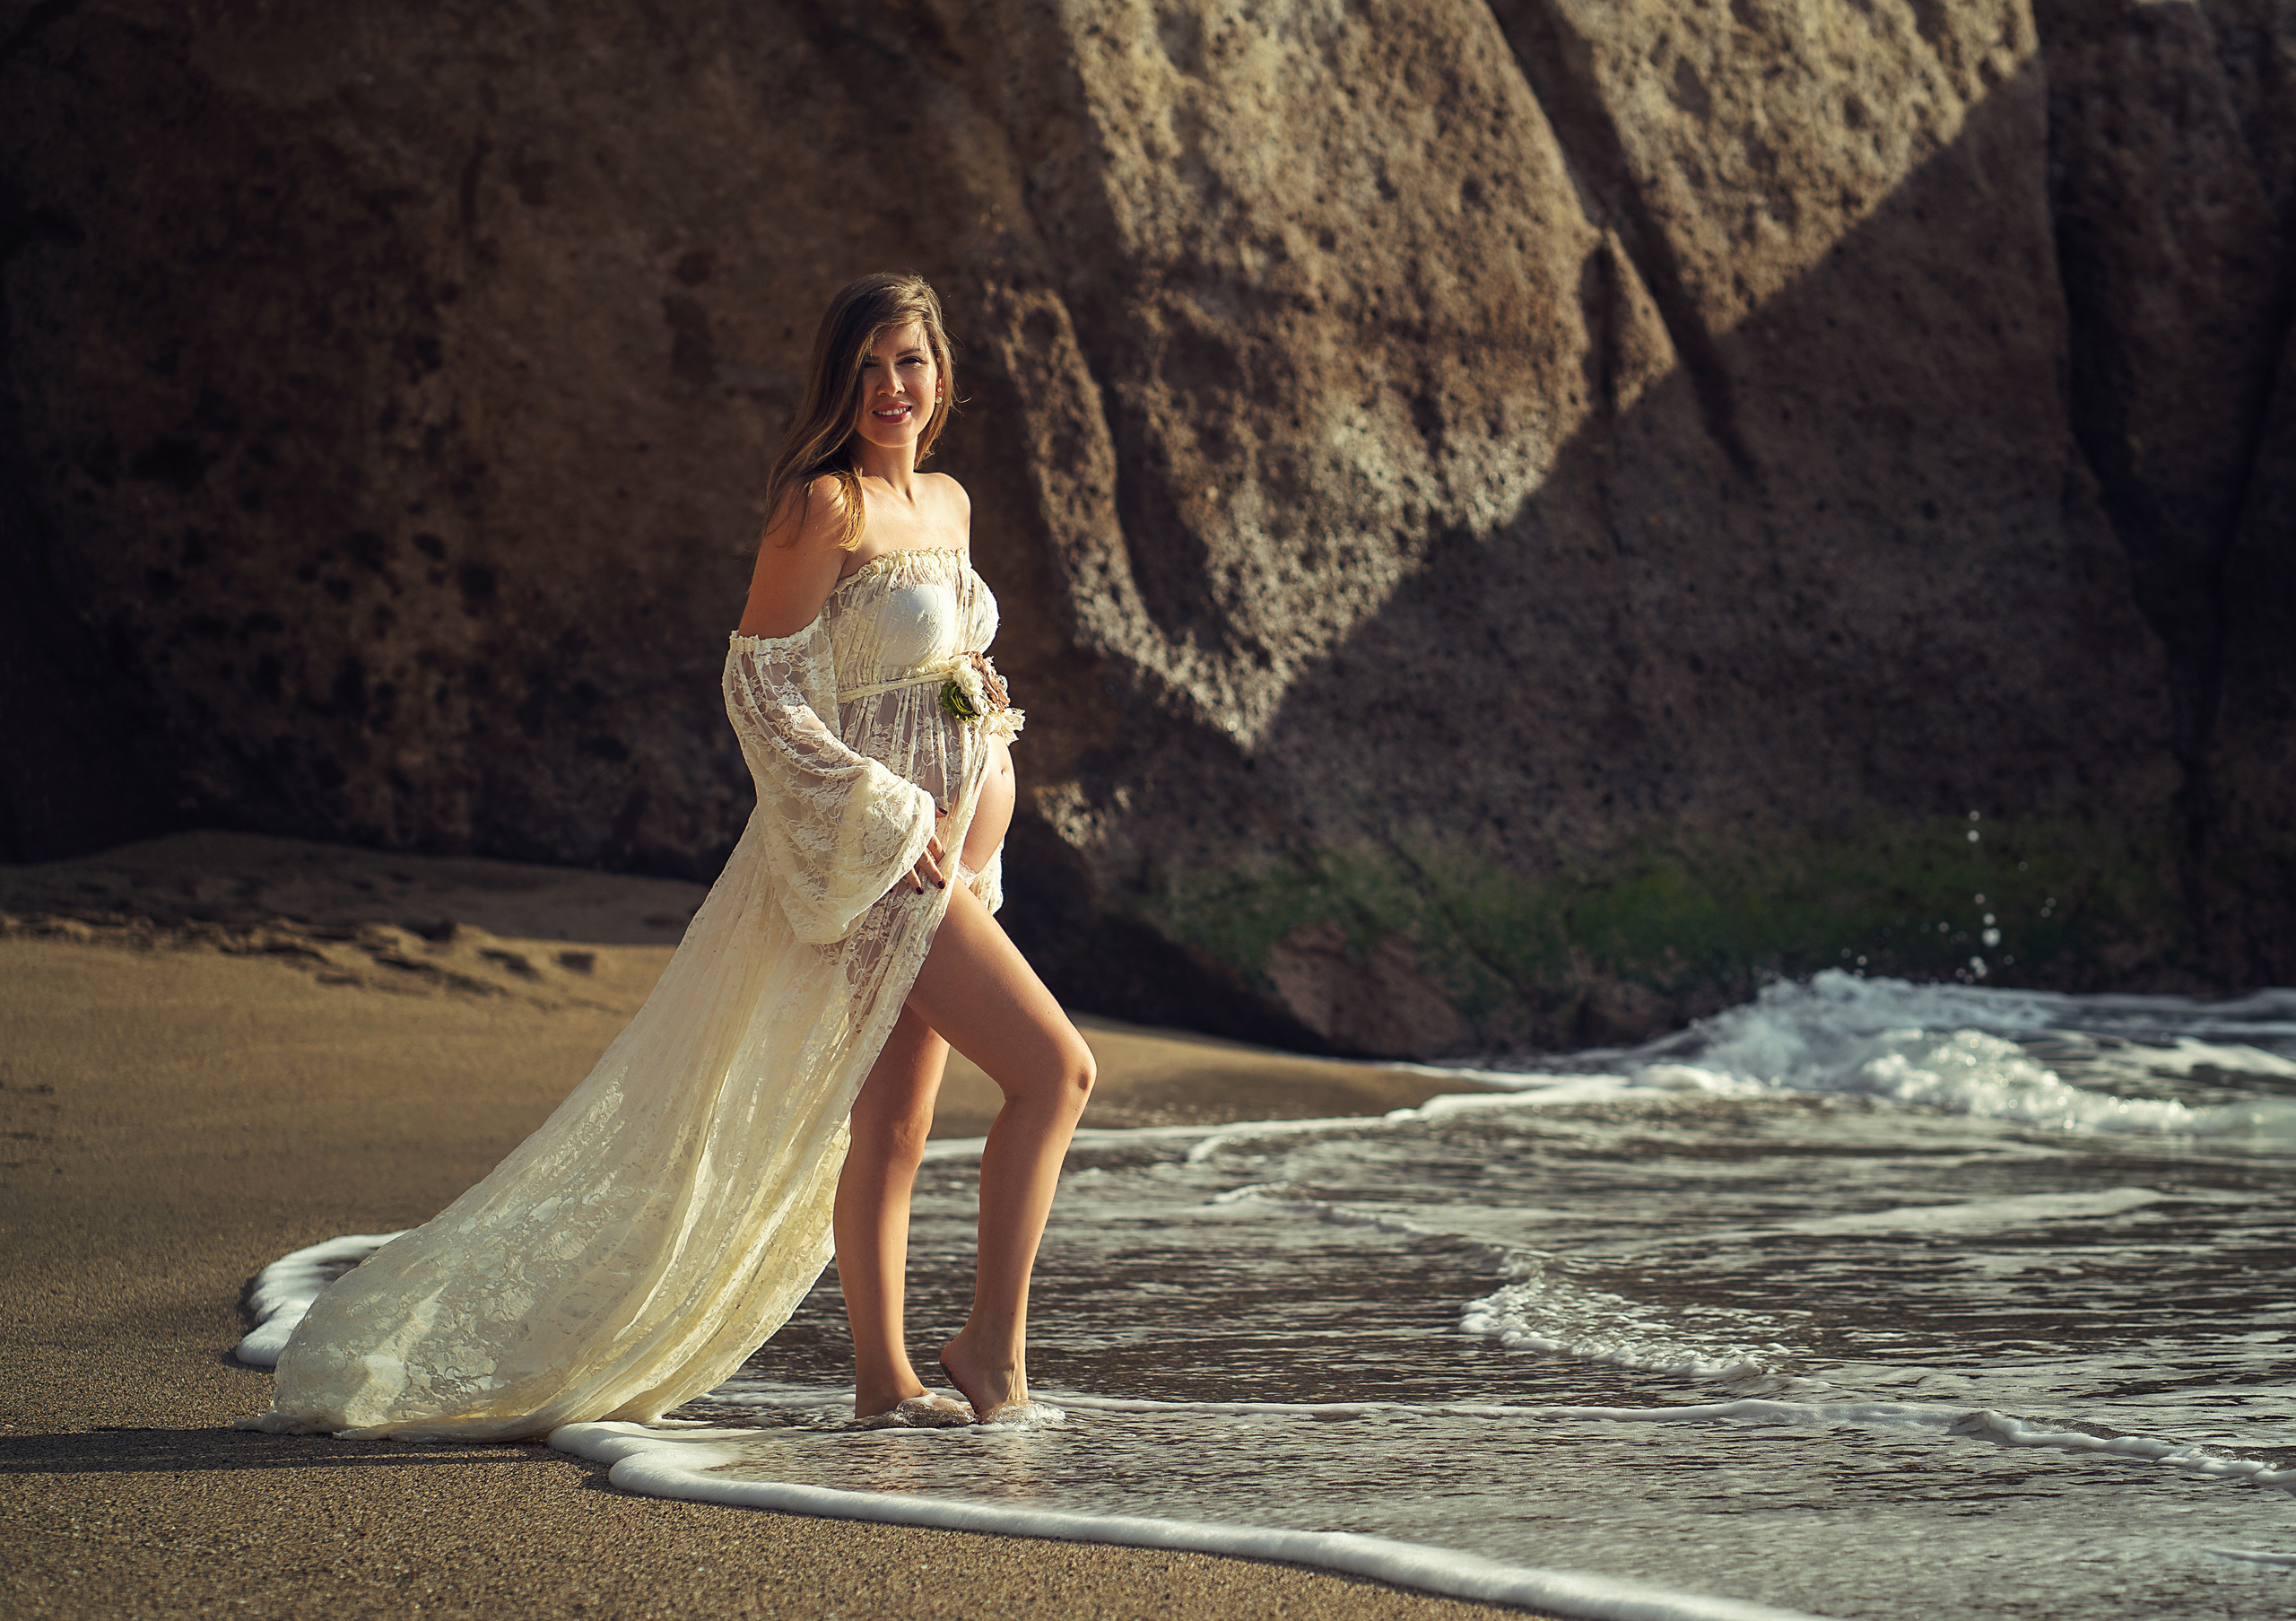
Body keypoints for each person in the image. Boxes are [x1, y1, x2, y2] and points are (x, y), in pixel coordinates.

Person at [241, 272, 1094, 1440]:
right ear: (838, 383)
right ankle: (992, 1352)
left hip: (963, 863)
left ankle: (885, 1382)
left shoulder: (946, 501)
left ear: (941, 375)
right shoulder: (821, 504)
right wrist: (883, 815)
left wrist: (978, 698)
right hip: (890, 865)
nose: (892, 389)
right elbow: (761, 683)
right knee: (1059, 1073)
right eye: (868, 368)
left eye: (910, 364)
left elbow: (903, 662)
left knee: (895, 1131)